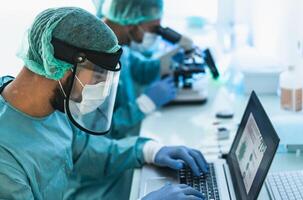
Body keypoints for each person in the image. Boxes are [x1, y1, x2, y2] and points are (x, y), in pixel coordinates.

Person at [0, 7, 208, 200]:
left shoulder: (51, 109)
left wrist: (149, 151)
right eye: (98, 78)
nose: (102, 89)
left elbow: (85, 151)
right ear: (62, 70)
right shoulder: (5, 163)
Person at [93, 0, 179, 139]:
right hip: (111, 151)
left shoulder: (117, 43)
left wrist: (168, 60)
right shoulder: (94, 57)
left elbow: (139, 70)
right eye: (154, 29)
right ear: (131, 21)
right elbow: (97, 131)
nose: (156, 35)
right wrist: (144, 104)